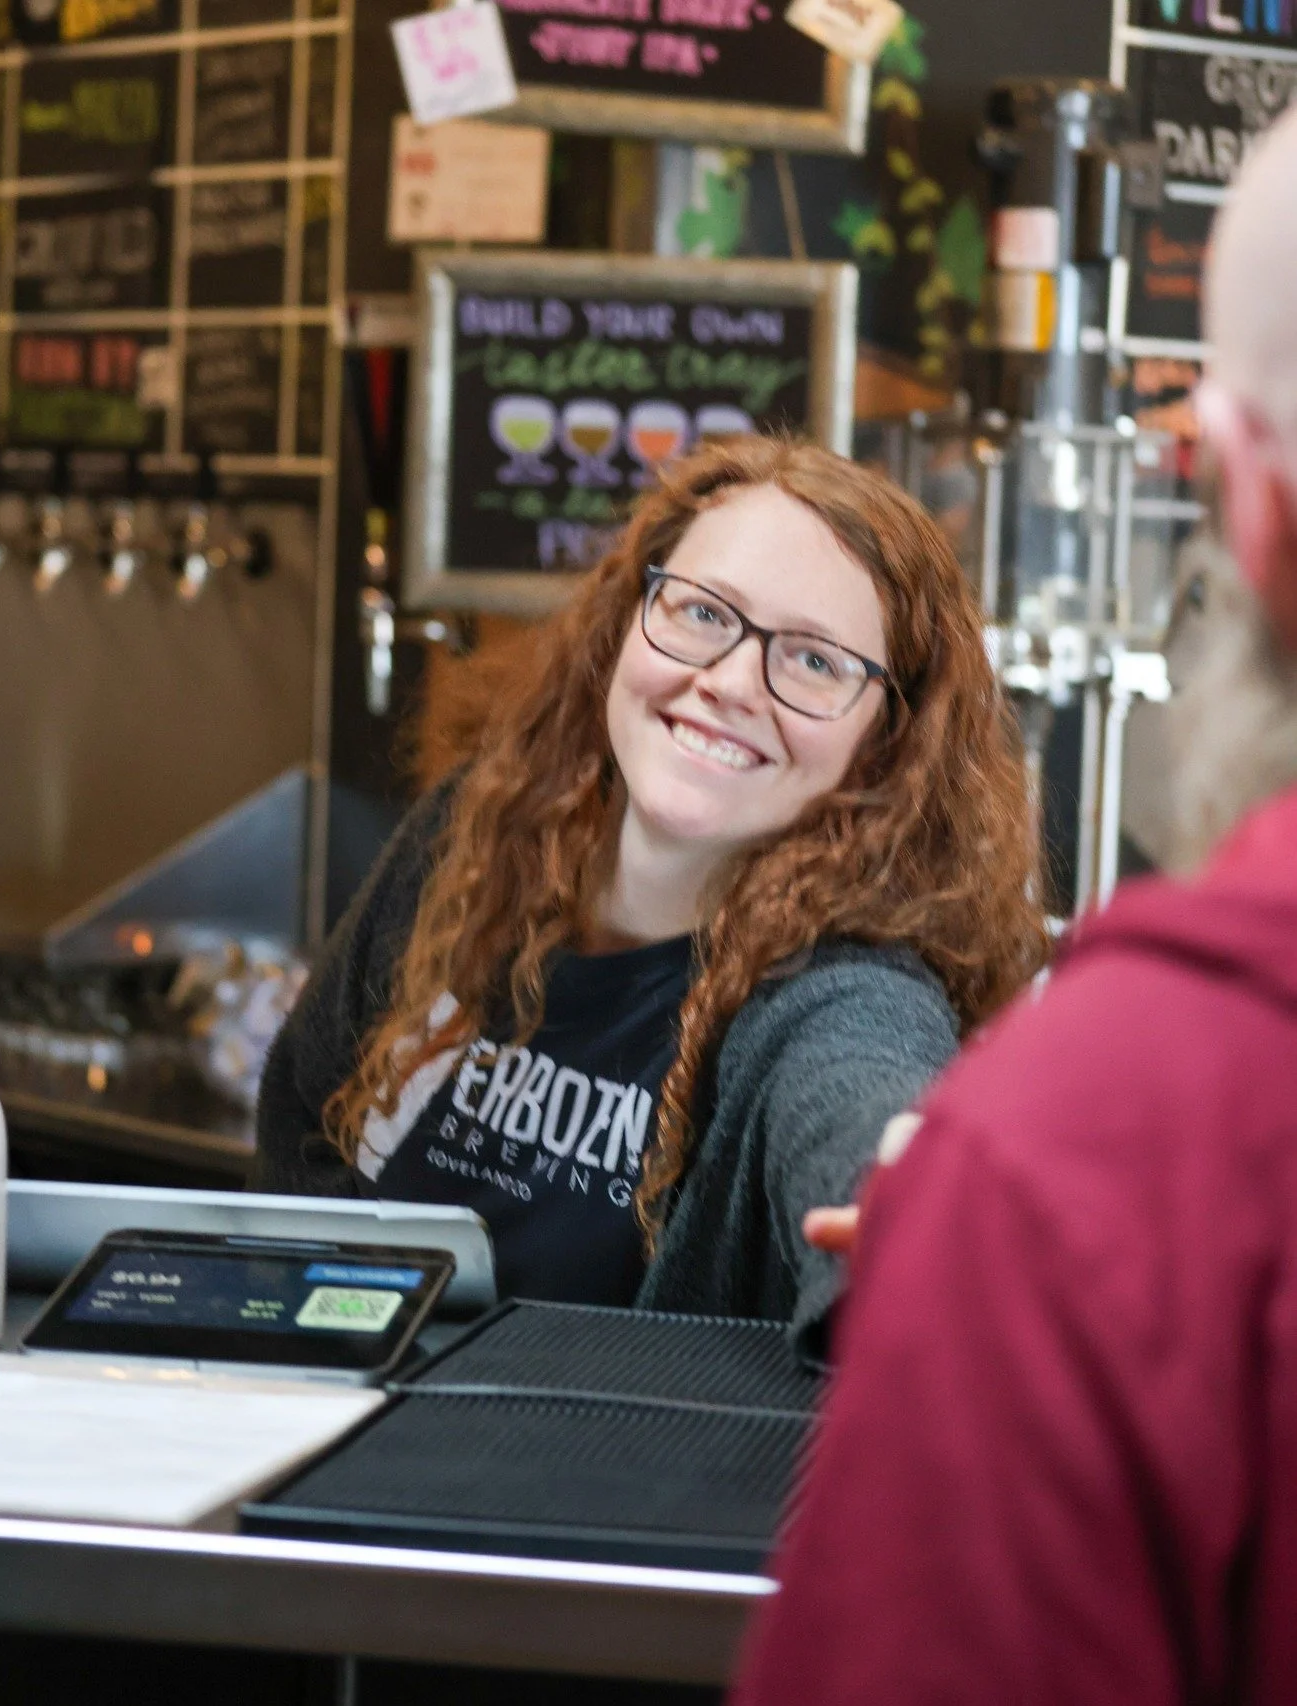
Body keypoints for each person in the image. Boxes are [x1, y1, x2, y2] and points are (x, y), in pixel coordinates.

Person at [734, 111, 1297, 1702]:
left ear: (1229, 487)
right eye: (696, 613)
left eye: (809, 655)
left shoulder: (1092, 1168)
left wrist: (1002, 1246)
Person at [253, 435, 1046, 1351]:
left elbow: (860, 1095)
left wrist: (909, 1196)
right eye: (704, 612)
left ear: (883, 744)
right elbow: (300, 1127)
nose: (732, 683)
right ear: (627, 619)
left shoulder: (838, 994)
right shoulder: (477, 835)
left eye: (815, 662)